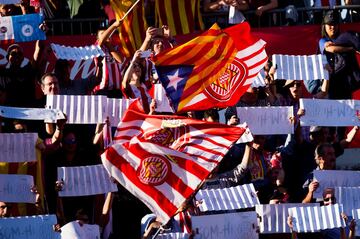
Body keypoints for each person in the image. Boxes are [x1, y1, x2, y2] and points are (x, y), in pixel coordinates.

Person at [319, 10, 360, 99]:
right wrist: (350, 49)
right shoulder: (323, 40)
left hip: (346, 84)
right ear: (324, 26)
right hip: (331, 84)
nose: (333, 27)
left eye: (335, 24)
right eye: (330, 25)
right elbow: (331, 49)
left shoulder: (344, 38)